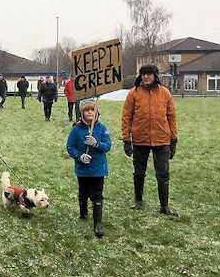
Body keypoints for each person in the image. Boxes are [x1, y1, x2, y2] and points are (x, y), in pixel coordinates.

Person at [121, 63, 178, 216]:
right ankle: (138, 200)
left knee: (163, 174)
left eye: (149, 74)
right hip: (140, 140)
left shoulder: (165, 93)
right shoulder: (134, 93)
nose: (146, 77)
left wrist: (173, 139)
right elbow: (127, 116)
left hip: (162, 140)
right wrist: (126, 139)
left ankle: (164, 206)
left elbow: (171, 117)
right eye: (143, 74)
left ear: (155, 76)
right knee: (139, 172)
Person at [67, 100, 111, 237]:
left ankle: (97, 224)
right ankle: (83, 211)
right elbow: (70, 147)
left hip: (98, 168)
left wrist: (97, 144)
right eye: (87, 110)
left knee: (97, 194)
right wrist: (79, 156)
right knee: (83, 191)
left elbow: (107, 146)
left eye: (92, 110)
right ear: (82, 113)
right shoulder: (76, 130)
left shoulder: (102, 128)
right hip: (83, 169)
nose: (90, 112)